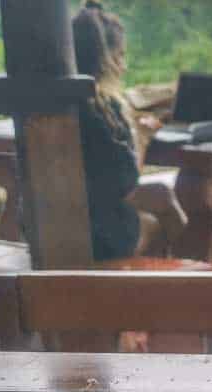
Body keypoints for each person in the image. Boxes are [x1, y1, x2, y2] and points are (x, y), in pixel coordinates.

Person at [71, 0, 143, 261]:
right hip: (102, 240)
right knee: (169, 213)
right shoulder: (102, 108)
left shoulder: (60, 102)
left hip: (42, 231)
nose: (123, 65)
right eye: (121, 55)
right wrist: (141, 138)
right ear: (106, 58)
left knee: (162, 200)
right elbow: (128, 184)